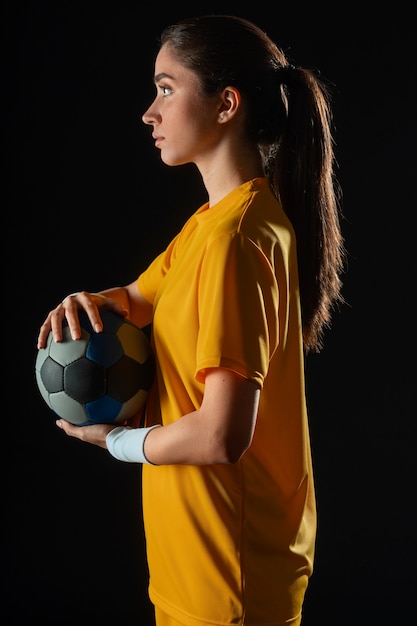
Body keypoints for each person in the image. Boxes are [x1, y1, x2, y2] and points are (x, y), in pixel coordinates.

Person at [37, 14, 345, 626]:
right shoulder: (213, 224)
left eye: (167, 88)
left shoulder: (236, 238)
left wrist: (117, 443)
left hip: (228, 582)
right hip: (192, 567)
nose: (149, 112)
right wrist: (85, 302)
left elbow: (220, 434)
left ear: (227, 103)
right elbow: (137, 297)